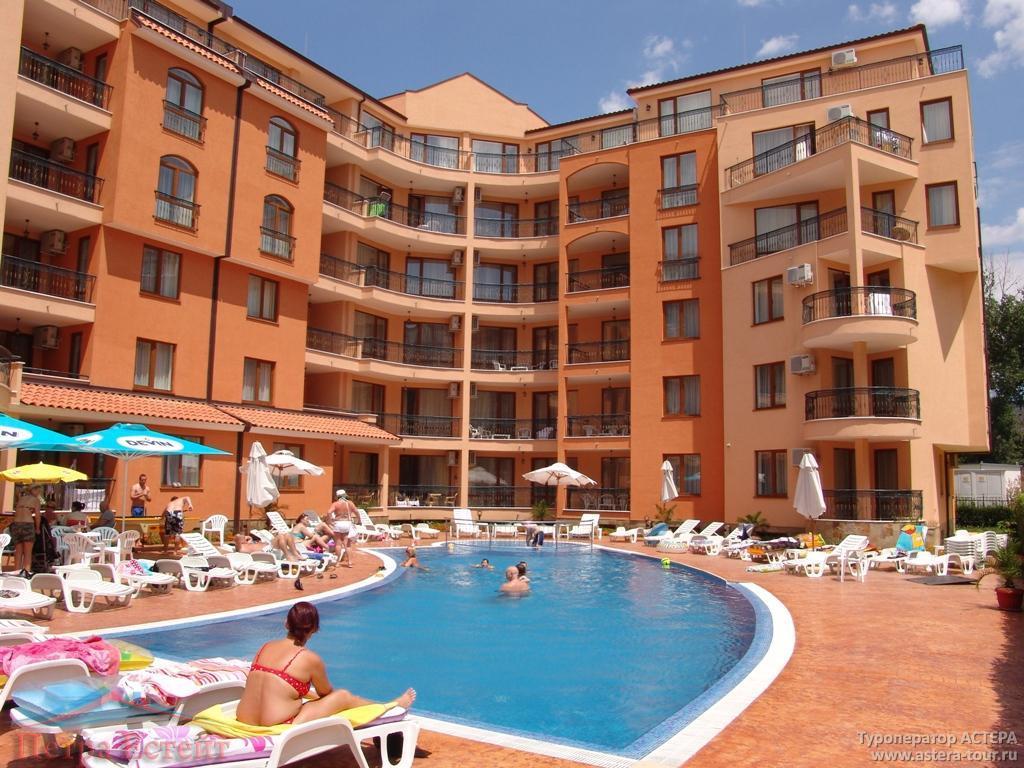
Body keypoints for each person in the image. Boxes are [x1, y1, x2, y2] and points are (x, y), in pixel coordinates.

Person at [236, 602, 415, 727]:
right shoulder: (308, 658)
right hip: (280, 724)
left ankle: (386, 706)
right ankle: (390, 706)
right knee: (343, 696)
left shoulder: (264, 647)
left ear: (286, 623)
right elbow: (327, 694)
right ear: (314, 629)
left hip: (244, 719)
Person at [10, 485, 41, 577]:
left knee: (18, 551)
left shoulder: (21, 499)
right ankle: (26, 574)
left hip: (16, 524)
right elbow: (38, 516)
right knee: (28, 552)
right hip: (27, 524)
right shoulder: (35, 500)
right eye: (38, 491)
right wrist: (37, 528)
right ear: (33, 490)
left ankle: (16, 573)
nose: (39, 493)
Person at [325, 490, 357, 567]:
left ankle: (337, 563)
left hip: (338, 523)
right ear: (345, 495)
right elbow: (356, 512)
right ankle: (349, 562)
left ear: (337, 496)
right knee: (347, 545)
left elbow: (329, 512)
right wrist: (359, 520)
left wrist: (329, 522)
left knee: (338, 544)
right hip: (347, 523)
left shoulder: (336, 504)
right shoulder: (350, 503)